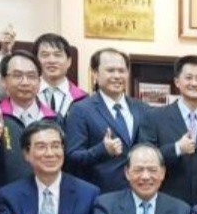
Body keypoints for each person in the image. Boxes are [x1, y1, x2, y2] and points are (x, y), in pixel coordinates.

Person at [143, 55, 197, 206]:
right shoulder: (154, 117)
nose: (194, 83)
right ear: (177, 82)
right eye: (188, 78)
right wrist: (177, 148)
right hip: (167, 202)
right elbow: (145, 158)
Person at [0, 50, 60, 196]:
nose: (25, 82)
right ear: (3, 81)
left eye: (31, 76)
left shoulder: (54, 119)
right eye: (17, 75)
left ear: (39, 81)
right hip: (3, 201)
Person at [65, 48, 152, 193]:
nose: (117, 76)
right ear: (95, 74)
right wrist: (102, 150)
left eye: (121, 71)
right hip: (100, 195)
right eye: (110, 70)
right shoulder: (80, 110)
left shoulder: (143, 108)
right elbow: (72, 157)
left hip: (138, 193)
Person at [33, 33, 87, 118]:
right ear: (35, 61)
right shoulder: (25, 94)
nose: (51, 60)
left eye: (57, 55)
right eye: (45, 55)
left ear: (69, 61)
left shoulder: (83, 99)